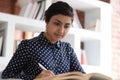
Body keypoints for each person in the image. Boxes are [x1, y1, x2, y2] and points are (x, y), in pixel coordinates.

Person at [1, 1, 85, 80]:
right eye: (57, 23)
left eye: (66, 26)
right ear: (46, 20)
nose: (61, 31)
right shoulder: (28, 46)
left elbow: (82, 75)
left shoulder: (67, 49)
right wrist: (35, 78)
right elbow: (6, 75)